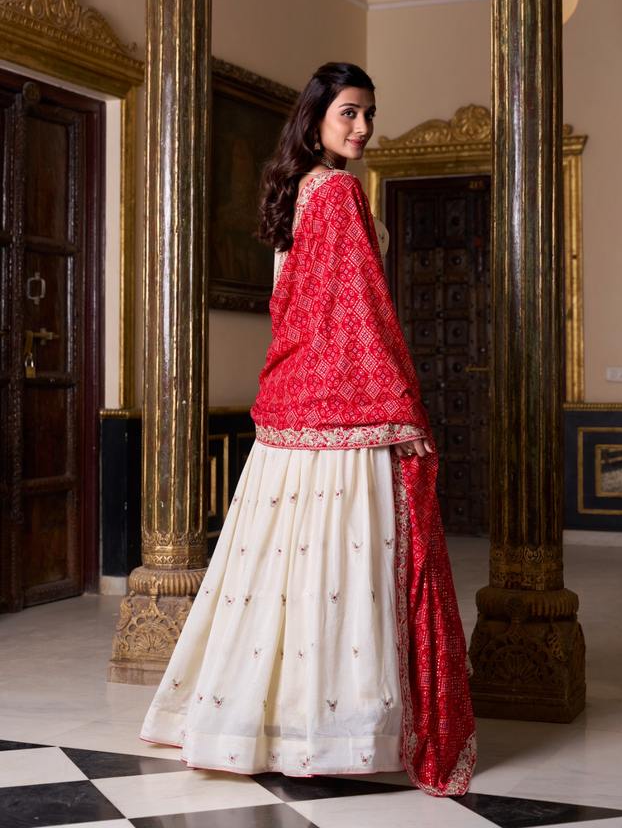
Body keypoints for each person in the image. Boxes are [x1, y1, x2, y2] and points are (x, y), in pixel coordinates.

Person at [140, 62, 476, 796]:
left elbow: (296, 310)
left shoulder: (294, 193)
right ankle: (338, 730)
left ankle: (253, 721)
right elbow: (360, 312)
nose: (363, 127)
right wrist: (398, 402)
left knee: (280, 569)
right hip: (344, 410)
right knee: (340, 565)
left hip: (291, 413)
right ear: (316, 116)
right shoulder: (341, 193)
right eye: (349, 112)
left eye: (369, 114)